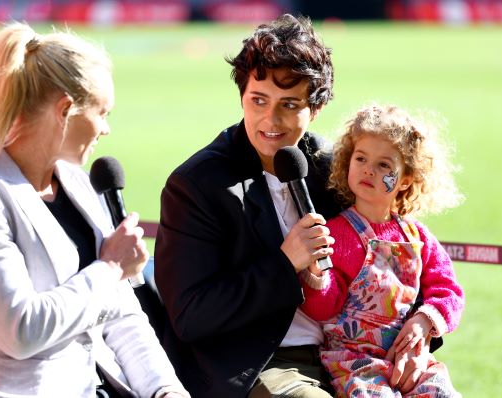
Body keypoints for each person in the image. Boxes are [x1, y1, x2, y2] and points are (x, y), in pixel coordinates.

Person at [155, 14, 435, 398]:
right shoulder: (197, 185)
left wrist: (420, 330)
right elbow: (190, 315)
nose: (270, 119)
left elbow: (400, 254)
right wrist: (285, 264)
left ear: (315, 109)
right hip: (261, 363)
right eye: (258, 100)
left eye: (289, 104)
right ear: (242, 97)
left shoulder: (334, 168)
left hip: (357, 356)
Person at [0, 22, 189, 398]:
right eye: (103, 113)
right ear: (65, 110)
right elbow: (21, 330)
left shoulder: (79, 184)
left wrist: (165, 389)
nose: (106, 129)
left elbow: (122, 315)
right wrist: (111, 267)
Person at [299, 104, 465, 397]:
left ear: (405, 180)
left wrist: (424, 320)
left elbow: (448, 290)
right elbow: (324, 308)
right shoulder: (336, 233)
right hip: (354, 364)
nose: (368, 169)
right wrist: (315, 276)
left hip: (410, 359)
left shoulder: (418, 237)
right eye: (361, 158)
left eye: (384, 165)